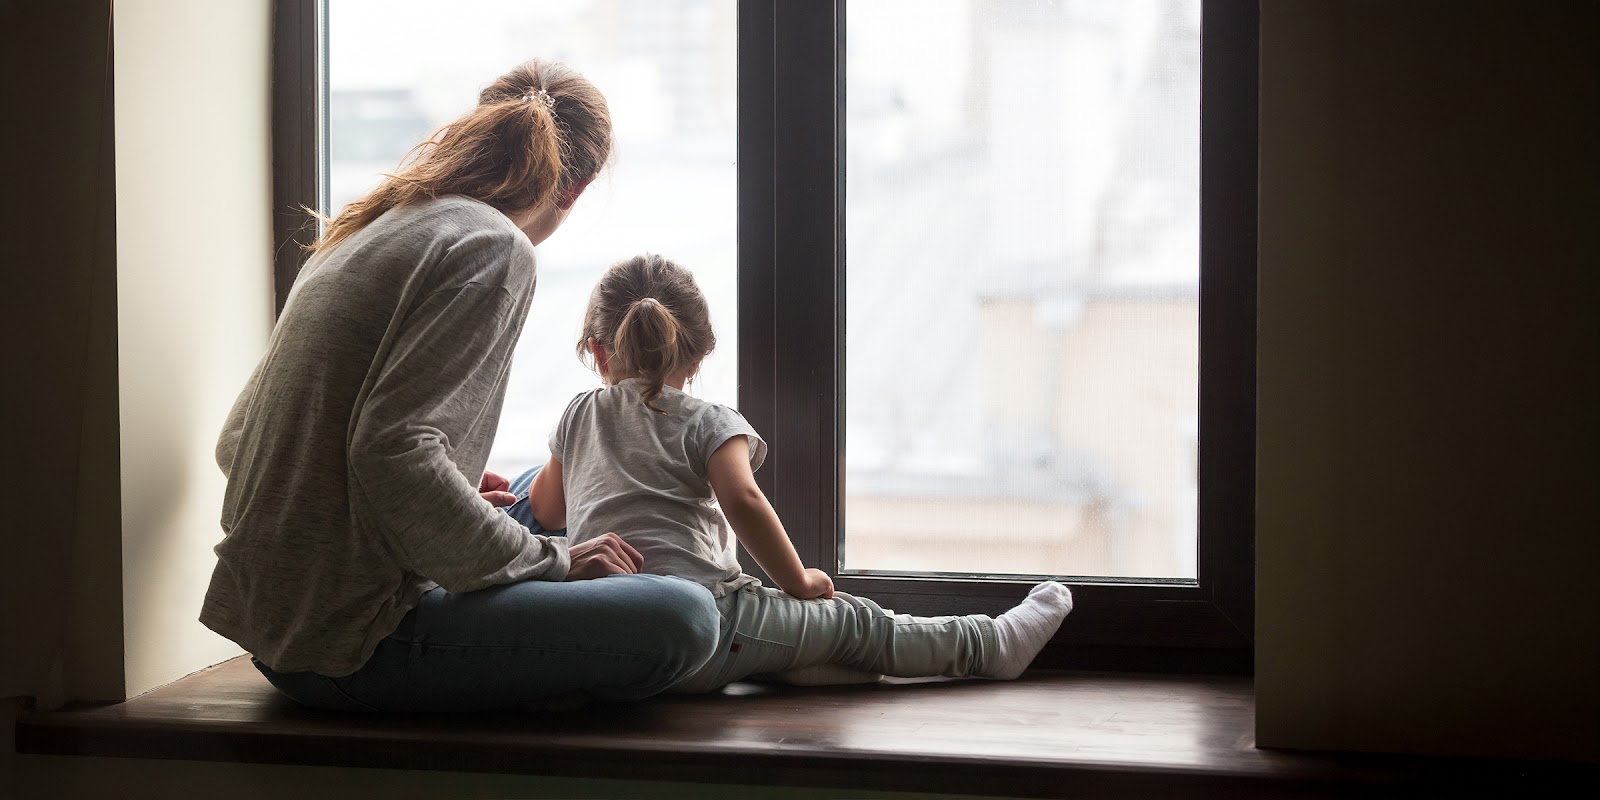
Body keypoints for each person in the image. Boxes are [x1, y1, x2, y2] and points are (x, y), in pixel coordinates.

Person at [202, 60, 722, 713]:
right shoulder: (493, 245)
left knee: (536, 486)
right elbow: (390, 453)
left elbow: (239, 442)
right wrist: (556, 563)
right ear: (578, 187)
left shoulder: (364, 229)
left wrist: (433, 496)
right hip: (354, 643)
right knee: (686, 616)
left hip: (277, 631)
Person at [508, 254, 1075, 693]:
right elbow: (745, 501)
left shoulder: (578, 413)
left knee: (793, 639)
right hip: (709, 627)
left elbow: (550, 509)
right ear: (698, 356)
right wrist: (797, 582)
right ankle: (989, 646)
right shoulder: (710, 422)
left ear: (597, 353)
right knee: (853, 621)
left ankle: (811, 665)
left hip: (610, 640)